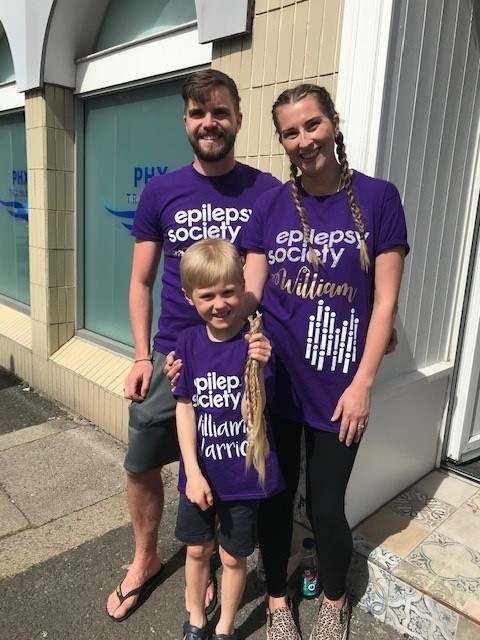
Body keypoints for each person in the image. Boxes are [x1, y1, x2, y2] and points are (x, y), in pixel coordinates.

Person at [106, 69, 280, 622]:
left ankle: (203, 564)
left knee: (229, 459)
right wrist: (140, 355)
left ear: (237, 119)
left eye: (221, 112)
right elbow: (140, 281)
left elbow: (261, 283)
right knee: (141, 463)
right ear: (185, 122)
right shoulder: (161, 191)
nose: (211, 122)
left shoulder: (266, 191)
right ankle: (146, 559)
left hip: (237, 355)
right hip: (172, 355)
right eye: (199, 113)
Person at [241, 84, 409, 640]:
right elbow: (249, 294)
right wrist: (201, 334)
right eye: (290, 132)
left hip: (340, 386)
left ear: (333, 124)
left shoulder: (380, 198)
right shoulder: (269, 205)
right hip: (277, 384)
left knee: (328, 508)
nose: (303, 140)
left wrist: (363, 383)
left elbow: (384, 301)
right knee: (276, 500)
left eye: (312, 125)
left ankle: (334, 600)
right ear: (282, 141)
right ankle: (278, 600)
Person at [174, 238, 284, 640]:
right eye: (207, 296)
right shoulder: (186, 343)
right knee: (198, 550)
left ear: (243, 288)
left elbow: (264, 405)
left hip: (242, 477)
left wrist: (264, 364)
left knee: (234, 557)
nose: (219, 304)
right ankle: (196, 620)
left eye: (228, 292)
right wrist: (191, 470)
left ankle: (224, 625)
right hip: (200, 473)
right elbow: (184, 407)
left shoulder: (256, 342)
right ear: (190, 298)